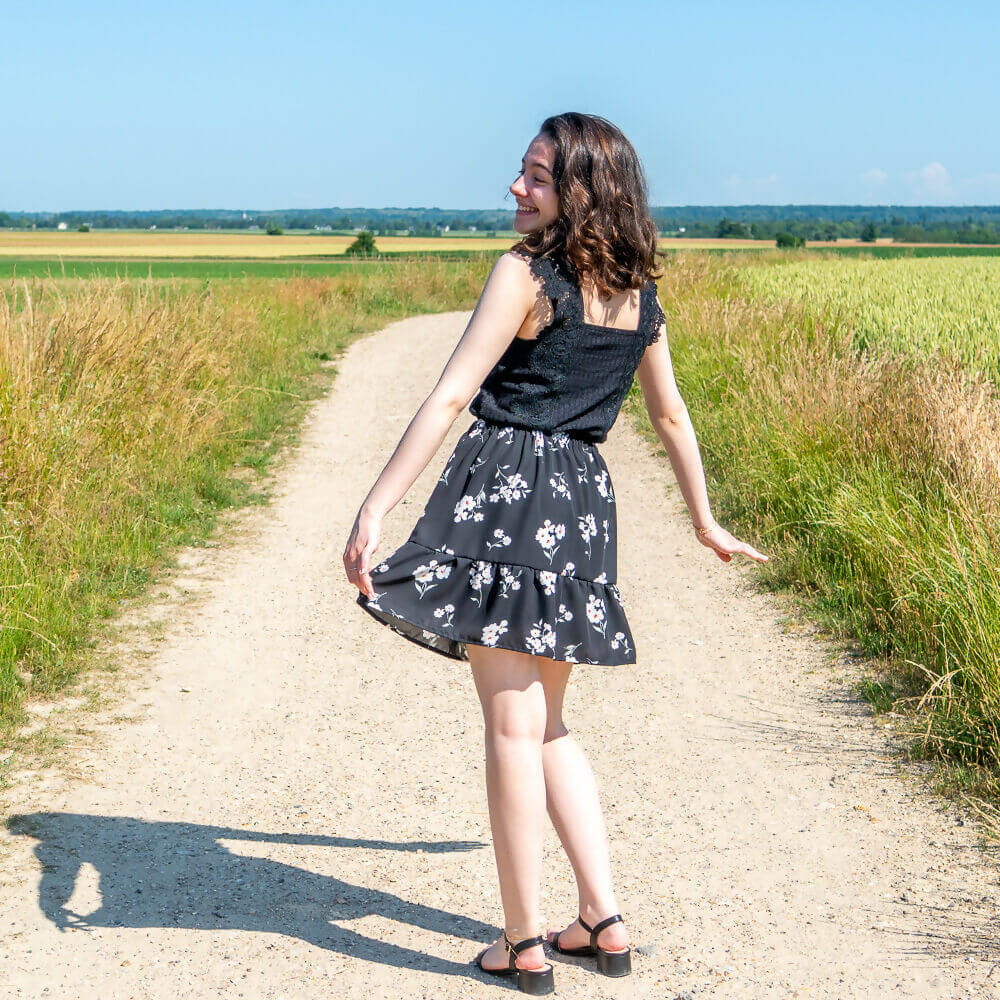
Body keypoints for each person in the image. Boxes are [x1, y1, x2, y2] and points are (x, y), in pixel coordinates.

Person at [344, 112, 768, 994]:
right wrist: (704, 519)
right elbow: (670, 417)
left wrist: (375, 504)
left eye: (535, 176)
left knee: (510, 723)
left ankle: (524, 941)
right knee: (550, 723)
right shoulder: (637, 295)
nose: (515, 188)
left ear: (580, 190)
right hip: (581, 504)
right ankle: (603, 922)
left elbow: (454, 391)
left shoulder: (524, 275)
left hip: (507, 491)